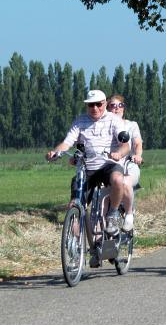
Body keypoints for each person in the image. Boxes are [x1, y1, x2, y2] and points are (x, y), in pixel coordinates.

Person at [46, 90, 130, 267]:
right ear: (87, 106)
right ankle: (78, 247)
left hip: (108, 164)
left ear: (105, 104)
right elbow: (67, 142)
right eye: (91, 104)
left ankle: (113, 214)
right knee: (76, 207)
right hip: (87, 168)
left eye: (99, 104)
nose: (95, 108)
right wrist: (56, 152)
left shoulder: (114, 120)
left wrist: (118, 153)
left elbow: (125, 145)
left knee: (117, 180)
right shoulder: (80, 121)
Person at [107, 94, 143, 230]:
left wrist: (138, 155)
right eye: (112, 106)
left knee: (125, 182)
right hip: (109, 163)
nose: (116, 109)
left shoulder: (131, 125)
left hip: (127, 162)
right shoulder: (103, 125)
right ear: (107, 108)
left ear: (124, 108)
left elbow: (137, 143)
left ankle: (129, 215)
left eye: (120, 105)